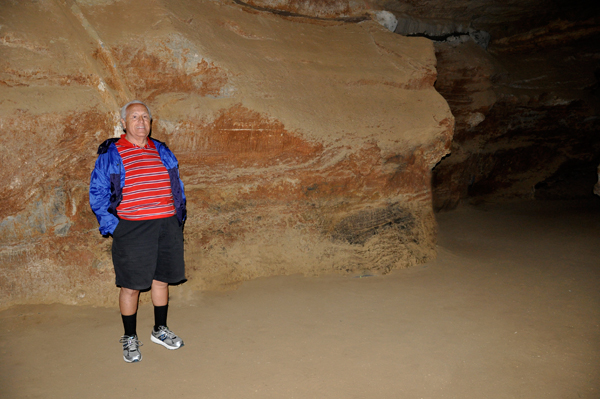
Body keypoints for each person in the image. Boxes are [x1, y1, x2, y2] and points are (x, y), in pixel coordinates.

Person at [89, 100, 187, 363]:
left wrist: (178, 218)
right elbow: (97, 194)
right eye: (134, 117)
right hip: (132, 228)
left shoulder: (161, 150)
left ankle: (160, 330)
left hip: (166, 224)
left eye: (145, 117)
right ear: (123, 123)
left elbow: (177, 184)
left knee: (162, 279)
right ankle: (130, 337)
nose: (141, 121)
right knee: (131, 286)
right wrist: (115, 228)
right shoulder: (111, 154)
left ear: (150, 122)